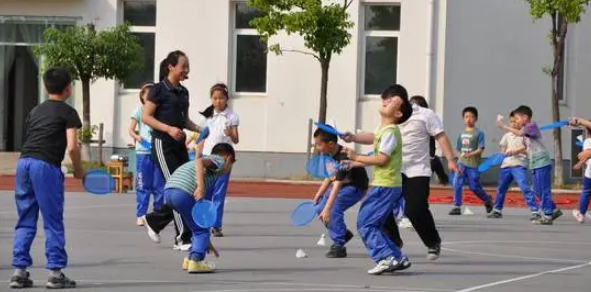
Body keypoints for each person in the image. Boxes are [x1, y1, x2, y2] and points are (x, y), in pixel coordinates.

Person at [10, 68, 83, 289]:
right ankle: (55, 273)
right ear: (68, 88)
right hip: (45, 166)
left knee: (25, 217)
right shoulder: (68, 112)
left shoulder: (35, 111)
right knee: (52, 220)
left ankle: (19, 272)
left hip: (24, 163)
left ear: (45, 87)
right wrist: (79, 171)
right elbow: (72, 147)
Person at [376, 92, 458, 261]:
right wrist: (354, 138)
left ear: (400, 100)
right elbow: (377, 137)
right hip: (394, 170)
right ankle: (394, 241)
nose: (386, 106)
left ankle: (433, 242)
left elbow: (440, 136)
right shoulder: (391, 117)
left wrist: (450, 160)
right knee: (381, 206)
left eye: (390, 102)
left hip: (417, 169)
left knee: (414, 209)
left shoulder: (425, 115)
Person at [343, 84, 413, 275]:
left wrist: (355, 157)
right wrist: (354, 138)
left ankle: (385, 257)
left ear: (398, 113)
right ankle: (397, 257)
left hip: (385, 186)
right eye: (385, 99)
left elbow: (381, 159)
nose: (386, 101)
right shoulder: (384, 130)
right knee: (373, 223)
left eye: (392, 101)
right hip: (385, 185)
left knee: (365, 223)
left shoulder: (390, 132)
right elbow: (373, 138)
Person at [140, 50, 205, 250]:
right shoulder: (158, 90)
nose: (186, 70)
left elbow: (184, 120)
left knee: (184, 187)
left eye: (188, 67)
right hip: (162, 144)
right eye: (183, 66)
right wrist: (168, 129)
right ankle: (182, 237)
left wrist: (199, 129)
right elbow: (146, 117)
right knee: (177, 189)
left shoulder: (184, 92)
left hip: (179, 145)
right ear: (171, 67)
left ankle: (154, 220)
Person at [166, 141, 235, 273]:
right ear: (229, 159)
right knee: (201, 230)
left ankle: (191, 258)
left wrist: (206, 242)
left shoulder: (211, 175)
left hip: (169, 192)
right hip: (182, 191)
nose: (227, 171)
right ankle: (197, 261)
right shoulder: (219, 160)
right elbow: (199, 161)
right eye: (230, 166)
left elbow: (202, 215)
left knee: (197, 227)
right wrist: (200, 185)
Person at [496, 105, 563, 225]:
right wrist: (513, 151)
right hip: (534, 163)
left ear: (525, 117)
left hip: (542, 162)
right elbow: (526, 146)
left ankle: (547, 215)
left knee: (544, 189)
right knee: (537, 190)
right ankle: (553, 209)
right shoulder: (525, 131)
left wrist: (503, 126)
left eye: (517, 119)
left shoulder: (531, 127)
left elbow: (520, 133)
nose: (515, 121)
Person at [311, 126, 368, 258]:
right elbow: (330, 176)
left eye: (319, 144)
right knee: (319, 208)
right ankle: (343, 233)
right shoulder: (328, 154)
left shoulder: (343, 156)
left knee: (332, 209)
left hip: (355, 187)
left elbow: (338, 183)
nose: (317, 147)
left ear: (330, 144)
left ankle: (339, 245)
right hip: (342, 184)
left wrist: (328, 207)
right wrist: (319, 193)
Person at [194, 83, 239, 237]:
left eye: (221, 98)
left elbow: (236, 139)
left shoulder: (232, 116)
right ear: (211, 99)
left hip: (224, 158)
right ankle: (203, 223)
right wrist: (196, 148)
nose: (218, 101)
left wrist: (230, 134)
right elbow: (200, 134)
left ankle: (216, 225)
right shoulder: (207, 115)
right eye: (215, 98)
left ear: (227, 98)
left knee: (219, 193)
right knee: (206, 191)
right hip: (208, 157)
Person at [488, 111, 540, 220]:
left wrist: (516, 151)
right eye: (511, 121)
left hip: (519, 165)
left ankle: (535, 211)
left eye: (515, 121)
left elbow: (528, 150)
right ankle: (497, 210)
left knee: (524, 186)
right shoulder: (506, 136)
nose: (513, 123)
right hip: (506, 166)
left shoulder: (524, 135)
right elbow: (502, 150)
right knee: (501, 188)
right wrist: (503, 154)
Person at [129, 82, 164, 226]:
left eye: (152, 94)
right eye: (146, 94)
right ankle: (141, 214)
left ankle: (157, 214)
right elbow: (131, 130)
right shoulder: (138, 110)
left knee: (159, 185)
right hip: (143, 153)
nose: (149, 96)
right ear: (142, 96)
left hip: (157, 151)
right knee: (143, 184)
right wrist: (138, 138)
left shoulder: (160, 111)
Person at [449, 107, 493, 215]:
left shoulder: (479, 133)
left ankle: (487, 199)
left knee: (473, 187)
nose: (469, 119)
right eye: (466, 117)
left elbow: (481, 148)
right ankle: (456, 206)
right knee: (457, 183)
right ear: (463, 119)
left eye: (472, 117)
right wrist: (459, 158)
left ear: (476, 119)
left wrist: (470, 154)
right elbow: (458, 149)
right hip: (461, 163)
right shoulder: (461, 133)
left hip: (473, 164)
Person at [569, 117, 591, 223]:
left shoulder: (588, 141)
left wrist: (580, 163)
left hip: (590, 173)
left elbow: (586, 155)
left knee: (586, 191)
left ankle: (581, 213)